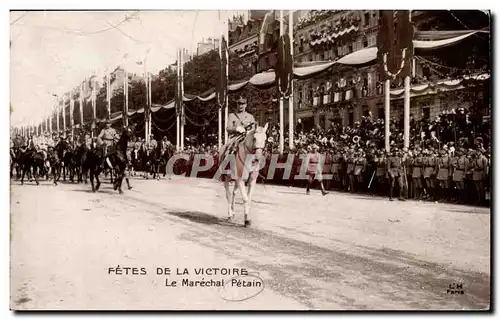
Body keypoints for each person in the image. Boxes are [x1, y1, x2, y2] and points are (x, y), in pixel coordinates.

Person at [220, 96, 256, 161]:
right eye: (239, 104)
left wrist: (249, 132)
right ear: (237, 105)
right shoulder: (232, 115)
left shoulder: (250, 117)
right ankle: (225, 167)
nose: (241, 106)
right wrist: (237, 128)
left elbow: (253, 129)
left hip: (247, 138)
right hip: (235, 138)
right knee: (227, 152)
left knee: (257, 149)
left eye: (243, 104)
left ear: (246, 105)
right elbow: (228, 128)